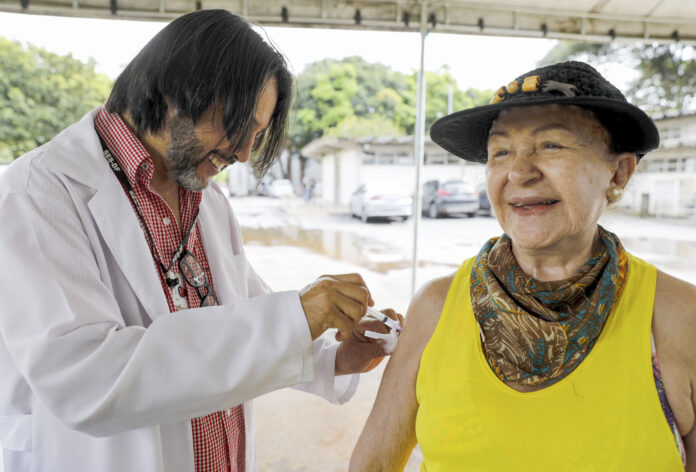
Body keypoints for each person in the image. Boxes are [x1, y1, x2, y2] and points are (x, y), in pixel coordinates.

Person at [0, 10, 400, 472]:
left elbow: (246, 316)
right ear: (174, 88)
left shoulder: (205, 200)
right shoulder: (38, 194)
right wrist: (295, 318)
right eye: (237, 124)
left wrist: (335, 356)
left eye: (256, 135)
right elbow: (86, 379)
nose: (244, 153)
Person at [350, 61, 696, 471]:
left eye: (551, 145)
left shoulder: (678, 318)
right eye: (500, 152)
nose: (518, 172)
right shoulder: (436, 308)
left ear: (618, 172)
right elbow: (374, 464)